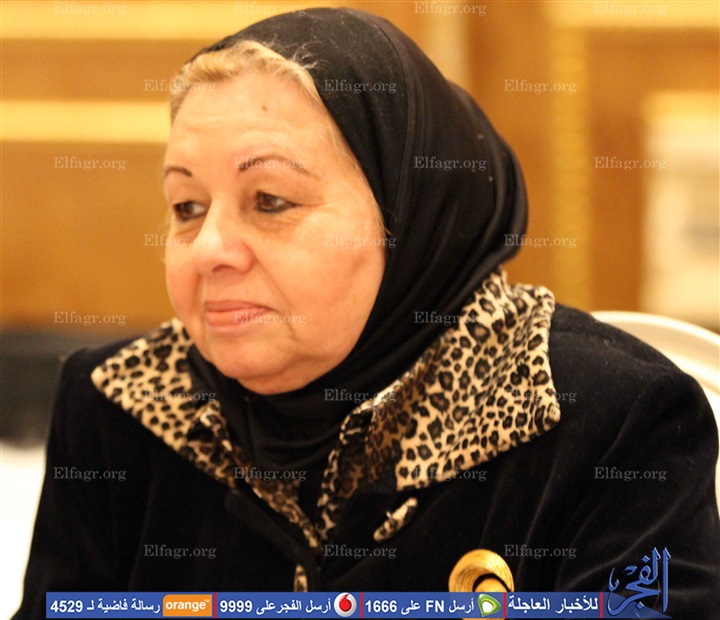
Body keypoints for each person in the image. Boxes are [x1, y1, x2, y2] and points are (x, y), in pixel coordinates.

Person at [14, 7, 720, 618]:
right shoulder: (121, 405)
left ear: (406, 216)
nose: (210, 250)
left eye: (270, 201)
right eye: (187, 207)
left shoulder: (609, 421)